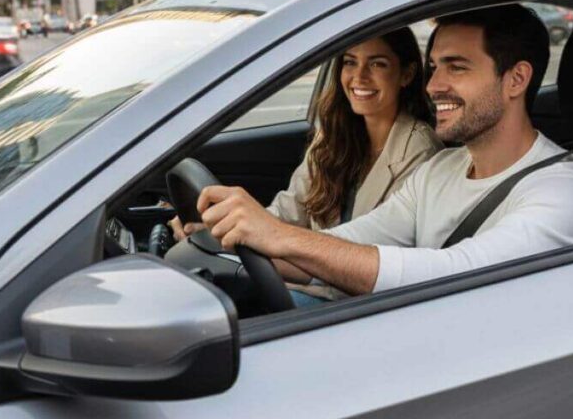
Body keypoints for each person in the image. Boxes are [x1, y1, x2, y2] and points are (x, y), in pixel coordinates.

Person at [191, 5, 573, 303]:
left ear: (516, 79)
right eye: (435, 67)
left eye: (457, 68)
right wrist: (231, 240)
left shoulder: (563, 192)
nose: (433, 86)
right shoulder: (442, 170)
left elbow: (455, 277)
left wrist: (279, 235)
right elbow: (340, 246)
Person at [174, 29, 441, 296]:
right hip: (306, 285)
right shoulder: (334, 134)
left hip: (348, 303)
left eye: (377, 64)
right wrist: (218, 233)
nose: (359, 76)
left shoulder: (419, 150)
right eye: (350, 62)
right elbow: (287, 211)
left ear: (406, 74)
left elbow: (374, 261)